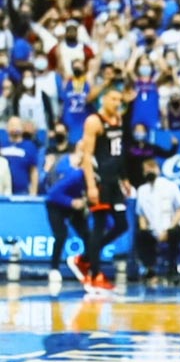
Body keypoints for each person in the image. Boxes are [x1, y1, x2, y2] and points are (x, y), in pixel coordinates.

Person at [76, 87, 130, 291]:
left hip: (114, 181)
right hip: (100, 181)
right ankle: (95, 273)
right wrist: (91, 186)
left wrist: (124, 178)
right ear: (103, 99)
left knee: (122, 224)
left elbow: (119, 153)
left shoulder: (119, 119)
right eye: (113, 99)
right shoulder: (94, 121)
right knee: (99, 225)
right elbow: (87, 156)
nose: (117, 103)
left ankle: (85, 258)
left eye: (119, 100)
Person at [135, 157, 180, 285]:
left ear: (158, 170)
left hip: (171, 227)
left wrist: (168, 229)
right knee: (141, 236)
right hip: (152, 229)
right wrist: (144, 229)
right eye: (146, 170)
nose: (149, 171)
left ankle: (173, 269)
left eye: (152, 168)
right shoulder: (141, 190)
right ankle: (150, 270)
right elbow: (141, 215)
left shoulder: (171, 186)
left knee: (176, 234)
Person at [44, 151, 91, 289]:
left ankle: (85, 263)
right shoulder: (76, 175)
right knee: (60, 234)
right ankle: (54, 269)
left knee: (87, 235)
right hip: (56, 204)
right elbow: (53, 193)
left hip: (76, 204)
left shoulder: (94, 177)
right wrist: (71, 202)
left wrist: (84, 201)